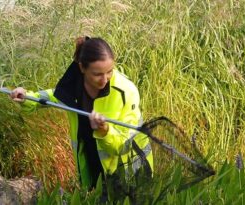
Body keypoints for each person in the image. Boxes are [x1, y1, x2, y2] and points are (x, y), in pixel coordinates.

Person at [10, 36, 153, 203]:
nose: (105, 79)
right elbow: (54, 97)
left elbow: (123, 146)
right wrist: (27, 97)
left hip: (129, 166)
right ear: (82, 68)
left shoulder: (126, 92)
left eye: (109, 71)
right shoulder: (74, 86)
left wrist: (104, 131)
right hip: (93, 162)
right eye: (97, 74)